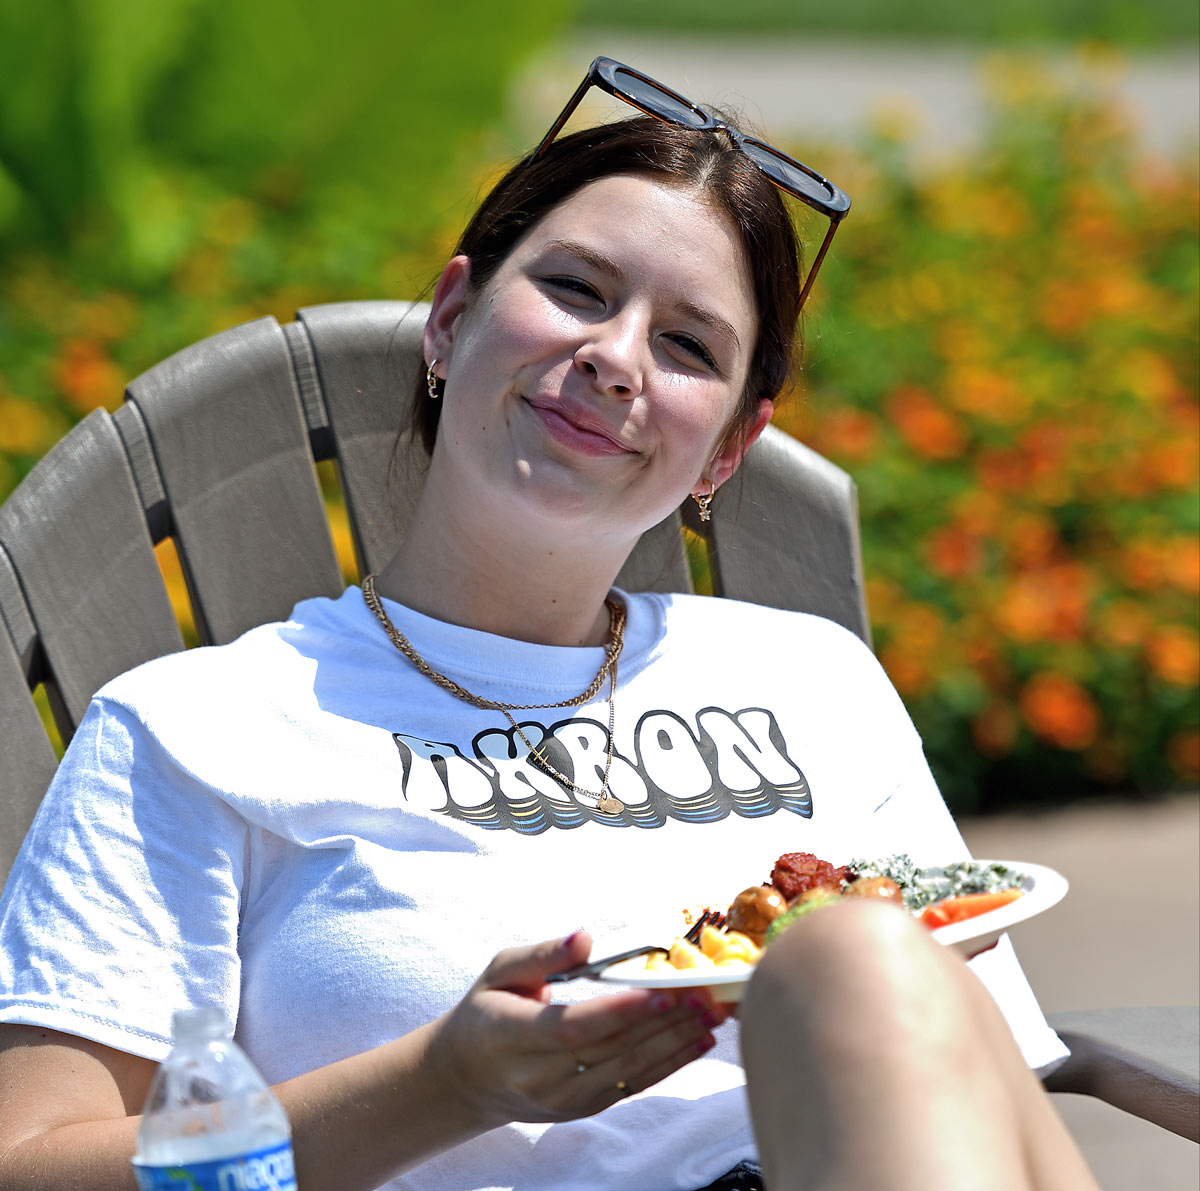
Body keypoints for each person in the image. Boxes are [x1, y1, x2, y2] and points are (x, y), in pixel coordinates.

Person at [0, 57, 1097, 1191]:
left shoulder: (818, 683)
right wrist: (444, 1085)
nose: (616, 358)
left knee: (862, 954)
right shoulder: (197, 730)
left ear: (727, 449)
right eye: (577, 288)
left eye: (688, 347)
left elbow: (990, 1076)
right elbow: (28, 1163)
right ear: (451, 315)